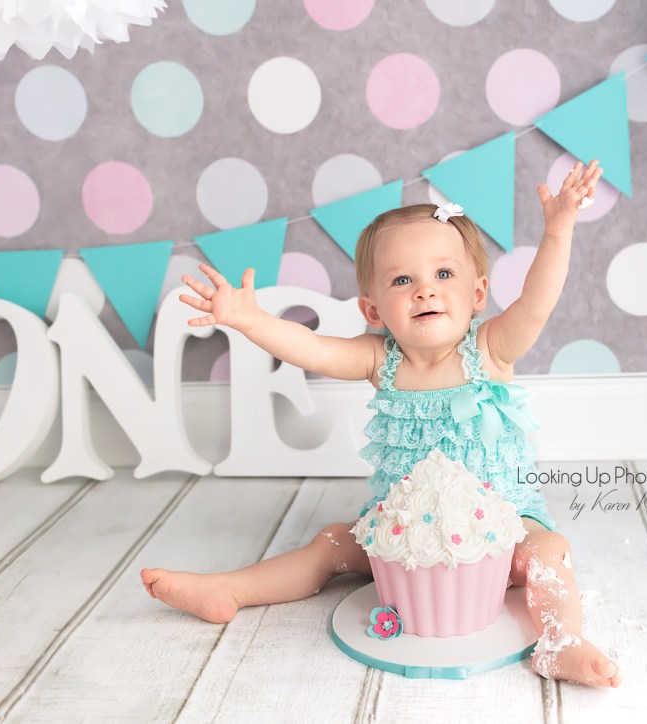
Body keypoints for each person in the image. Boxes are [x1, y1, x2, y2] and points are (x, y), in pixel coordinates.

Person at [141, 159, 622, 687]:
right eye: (402, 280)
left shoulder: (490, 349)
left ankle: (560, 642)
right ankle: (230, 589)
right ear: (373, 311)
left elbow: (537, 302)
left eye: (443, 274)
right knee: (331, 543)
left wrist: (557, 230)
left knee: (549, 551)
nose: (425, 291)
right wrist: (248, 319)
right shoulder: (379, 359)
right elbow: (312, 348)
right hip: (406, 535)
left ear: (477, 294)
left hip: (501, 528)